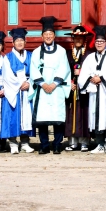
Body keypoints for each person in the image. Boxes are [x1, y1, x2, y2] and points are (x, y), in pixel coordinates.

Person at [30, 16, 72, 154]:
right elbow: (34, 69)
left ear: (54, 35)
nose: (48, 36)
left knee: (57, 117)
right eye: (45, 34)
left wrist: (54, 84)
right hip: (42, 88)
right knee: (42, 118)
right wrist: (43, 84)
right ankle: (44, 144)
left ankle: (57, 144)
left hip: (56, 88)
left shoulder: (61, 51)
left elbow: (64, 68)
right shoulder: (36, 52)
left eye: (50, 34)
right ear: (42, 36)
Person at [78, 25, 106, 154]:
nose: (99, 44)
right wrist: (92, 79)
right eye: (97, 41)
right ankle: (99, 143)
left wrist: (101, 78)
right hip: (94, 91)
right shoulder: (90, 57)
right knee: (95, 117)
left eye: (102, 41)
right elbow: (83, 75)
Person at [2, 28, 35, 153]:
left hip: (28, 90)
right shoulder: (8, 58)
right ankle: (13, 143)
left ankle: (25, 142)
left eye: (22, 40)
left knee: (27, 116)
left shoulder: (31, 56)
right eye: (17, 41)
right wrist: (20, 84)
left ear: (25, 42)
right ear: (13, 42)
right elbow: (7, 75)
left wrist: (29, 83)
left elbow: (36, 72)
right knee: (13, 116)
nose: (20, 43)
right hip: (14, 91)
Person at [65, 26, 90, 151]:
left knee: (84, 113)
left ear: (85, 39)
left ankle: (84, 141)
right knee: (71, 114)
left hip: (85, 87)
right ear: (73, 39)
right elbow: (63, 70)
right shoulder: (67, 53)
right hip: (72, 87)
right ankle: (72, 142)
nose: (78, 40)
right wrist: (68, 82)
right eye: (76, 38)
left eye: (81, 38)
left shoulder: (89, 54)